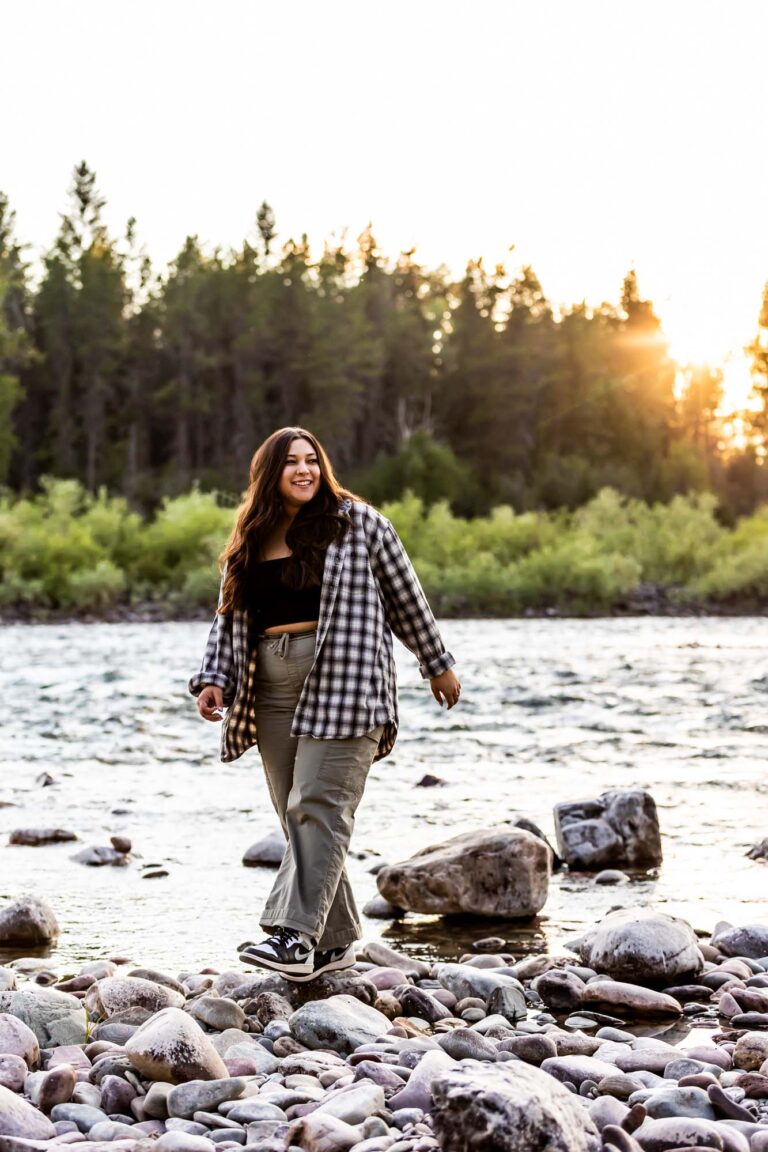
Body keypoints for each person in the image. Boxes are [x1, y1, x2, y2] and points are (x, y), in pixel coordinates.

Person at [189, 427, 461, 981]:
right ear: (271, 473)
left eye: (312, 460)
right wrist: (214, 677)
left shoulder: (360, 524)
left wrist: (436, 661)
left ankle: (292, 938)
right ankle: (333, 945)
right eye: (291, 462)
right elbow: (231, 616)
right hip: (270, 685)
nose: (304, 470)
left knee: (318, 805)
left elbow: (405, 595)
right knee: (296, 812)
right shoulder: (251, 536)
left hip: (345, 678)